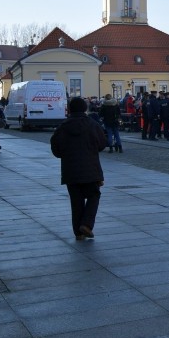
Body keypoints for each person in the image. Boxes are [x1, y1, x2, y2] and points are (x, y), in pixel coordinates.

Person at [50, 97, 107, 241]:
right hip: (91, 168)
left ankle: (78, 232)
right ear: (84, 109)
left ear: (69, 109)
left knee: (76, 201)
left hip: (70, 170)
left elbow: (56, 150)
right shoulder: (93, 125)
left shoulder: (62, 127)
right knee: (94, 195)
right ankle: (87, 224)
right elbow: (102, 144)